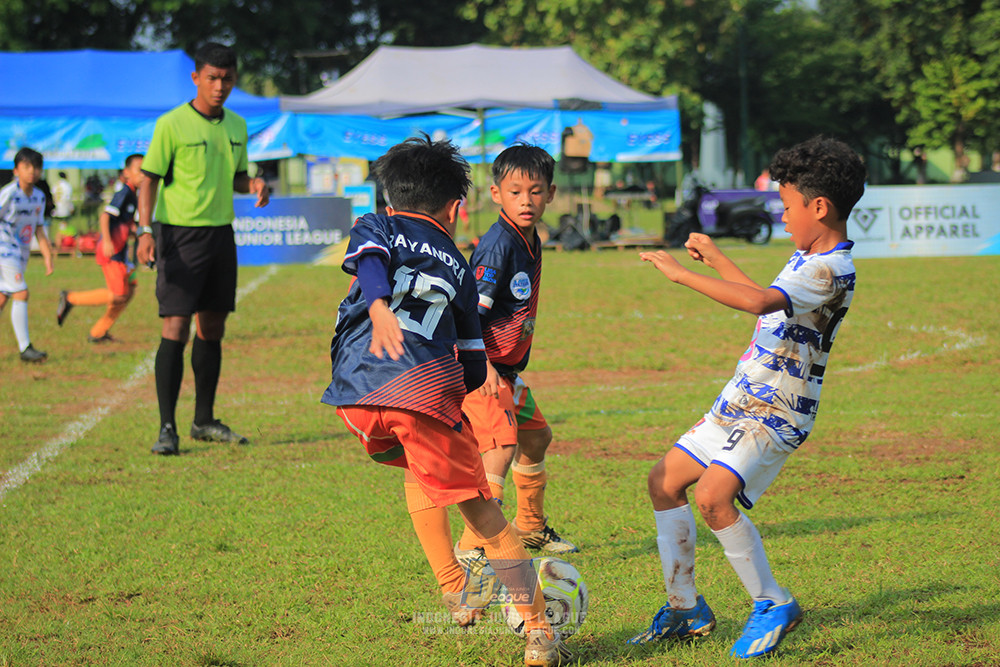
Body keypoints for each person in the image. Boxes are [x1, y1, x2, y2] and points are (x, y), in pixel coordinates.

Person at [321, 135, 571, 667]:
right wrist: (384, 308)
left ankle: (455, 590)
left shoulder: (377, 223)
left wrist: (380, 302)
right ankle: (540, 632)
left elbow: (367, 259)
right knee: (483, 512)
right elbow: (474, 353)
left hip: (356, 394)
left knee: (419, 463)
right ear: (456, 208)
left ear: (391, 199)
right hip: (422, 390)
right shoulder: (459, 265)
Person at [628, 136, 866, 659]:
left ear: (819, 207)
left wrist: (683, 274)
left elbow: (759, 299)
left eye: (786, 206)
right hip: (742, 398)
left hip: (778, 411)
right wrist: (717, 259)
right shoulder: (806, 256)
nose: (781, 216)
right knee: (663, 482)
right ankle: (686, 607)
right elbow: (769, 308)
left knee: (713, 498)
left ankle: (773, 601)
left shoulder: (831, 269)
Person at [136, 43, 270, 456]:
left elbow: (236, 178)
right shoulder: (172, 124)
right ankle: (166, 428)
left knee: (212, 328)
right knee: (175, 327)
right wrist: (144, 231)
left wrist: (255, 185)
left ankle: (204, 420)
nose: (220, 86)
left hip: (220, 236)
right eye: (212, 78)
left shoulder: (237, 126)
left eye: (227, 78)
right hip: (178, 235)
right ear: (196, 78)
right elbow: (148, 179)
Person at [454, 144, 578, 564]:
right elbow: (468, 314)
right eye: (515, 192)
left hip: (507, 370)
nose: (526, 201)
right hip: (482, 367)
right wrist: (483, 366)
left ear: (551, 193)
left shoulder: (530, 237)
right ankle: (474, 544)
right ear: (495, 194)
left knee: (536, 437)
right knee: (500, 447)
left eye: (535, 191)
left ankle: (530, 527)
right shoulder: (498, 246)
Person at [56, 154, 145, 342]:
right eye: (139, 170)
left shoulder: (135, 194)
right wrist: (107, 242)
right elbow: (105, 217)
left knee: (129, 291)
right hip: (112, 253)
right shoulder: (124, 193)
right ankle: (71, 298)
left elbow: (125, 223)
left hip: (122, 253)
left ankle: (99, 332)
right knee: (119, 295)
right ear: (127, 173)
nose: (144, 174)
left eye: (146, 170)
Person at [0, 148, 54, 363]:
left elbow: (39, 228)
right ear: (16, 170)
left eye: (36, 167)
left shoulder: (39, 197)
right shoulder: (9, 193)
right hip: (4, 249)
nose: (32, 171)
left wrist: (47, 255)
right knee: (21, 293)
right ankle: (26, 349)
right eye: (26, 167)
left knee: (3, 297)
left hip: (20, 252)